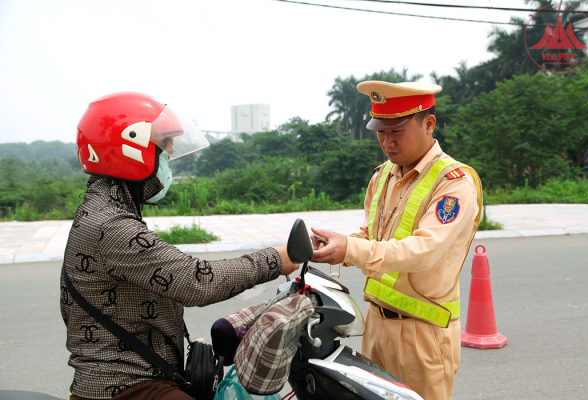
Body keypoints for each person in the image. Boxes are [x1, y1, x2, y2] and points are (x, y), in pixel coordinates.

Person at [60, 92, 298, 400]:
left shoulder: (106, 208)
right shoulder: (112, 225)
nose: (170, 152)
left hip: (139, 375)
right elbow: (197, 281)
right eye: (163, 143)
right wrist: (277, 259)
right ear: (129, 148)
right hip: (126, 385)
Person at [311, 81, 482, 400]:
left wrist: (352, 248)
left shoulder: (454, 183)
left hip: (422, 333)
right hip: (376, 326)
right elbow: (369, 236)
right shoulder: (383, 175)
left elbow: (424, 250)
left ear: (429, 124)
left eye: (397, 131)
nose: (387, 142)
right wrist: (337, 247)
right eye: (380, 131)